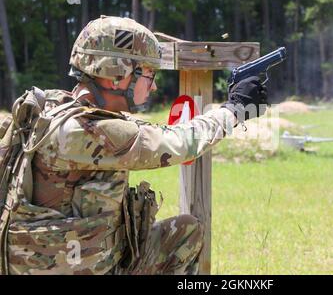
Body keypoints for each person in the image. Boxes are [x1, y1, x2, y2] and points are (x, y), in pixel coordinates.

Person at [0, 15, 267, 275]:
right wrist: (234, 109)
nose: (152, 88)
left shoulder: (51, 111)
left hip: (39, 263)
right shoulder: (91, 131)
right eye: (149, 75)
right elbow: (180, 143)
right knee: (185, 232)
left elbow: (139, 129)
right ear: (118, 75)